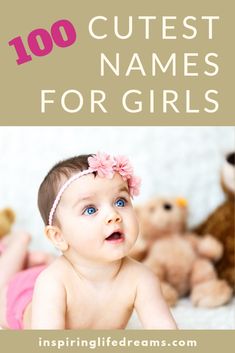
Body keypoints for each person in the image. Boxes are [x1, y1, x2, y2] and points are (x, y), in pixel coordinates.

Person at [0, 152, 177, 329]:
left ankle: (41, 259)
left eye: (120, 202)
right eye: (90, 210)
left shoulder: (142, 279)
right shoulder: (52, 282)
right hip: (21, 298)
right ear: (58, 236)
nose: (113, 215)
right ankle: (19, 243)